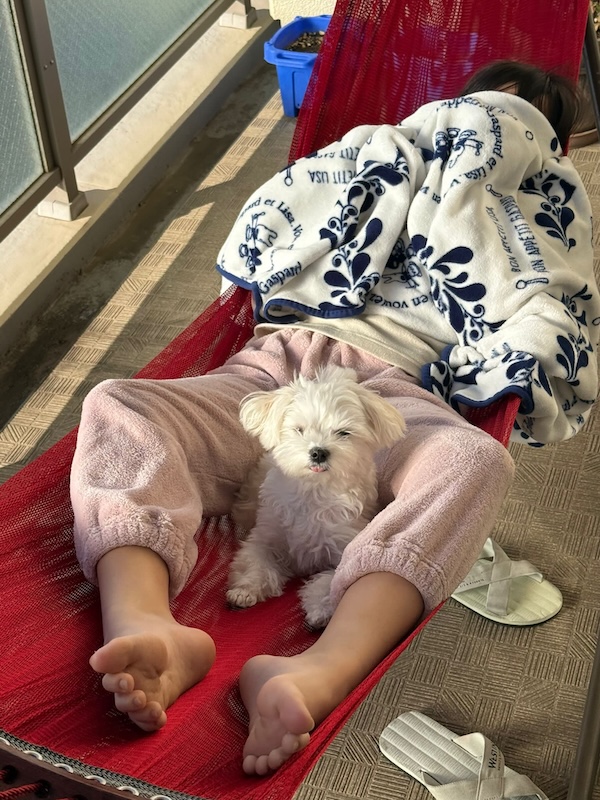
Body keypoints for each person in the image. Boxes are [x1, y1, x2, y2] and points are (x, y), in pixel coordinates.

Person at [70, 60, 599, 776]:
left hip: (400, 387)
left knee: (474, 461)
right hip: (275, 360)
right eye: (493, 108)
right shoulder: (387, 145)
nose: (495, 128)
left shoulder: (540, 209)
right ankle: (143, 620)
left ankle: (320, 668)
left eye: (528, 123)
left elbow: (553, 300)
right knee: (120, 403)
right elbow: (294, 203)